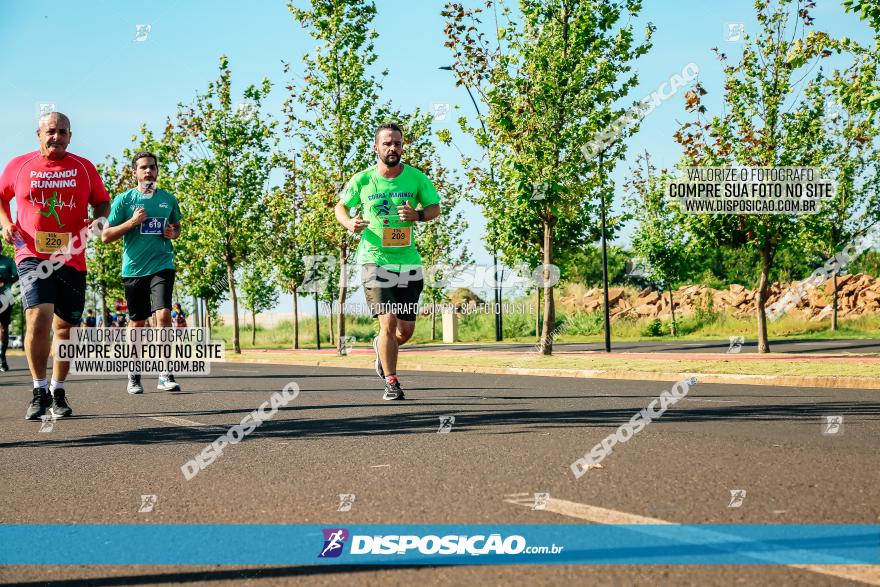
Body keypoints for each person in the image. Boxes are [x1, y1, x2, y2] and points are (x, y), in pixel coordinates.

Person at [0, 112, 111, 419]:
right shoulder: (19, 166)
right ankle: (38, 391)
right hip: (31, 252)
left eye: (63, 132)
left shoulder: (84, 169)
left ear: (70, 136)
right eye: (51, 131)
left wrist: (99, 221)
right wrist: (6, 222)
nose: (57, 136)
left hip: (71, 256)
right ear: (39, 133)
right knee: (39, 315)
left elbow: (101, 201)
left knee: (66, 328)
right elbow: (1, 196)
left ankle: (57, 390)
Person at [334, 122, 441, 400]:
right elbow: (341, 206)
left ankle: (380, 349)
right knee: (388, 323)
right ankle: (392, 382)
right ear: (376, 147)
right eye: (387, 143)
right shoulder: (363, 180)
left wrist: (417, 215)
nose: (393, 148)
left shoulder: (416, 178)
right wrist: (349, 223)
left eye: (397, 143)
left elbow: (434, 207)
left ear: (402, 147)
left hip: (408, 262)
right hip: (374, 260)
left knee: (404, 331)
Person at [102, 151, 182, 394]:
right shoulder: (124, 201)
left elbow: (176, 227)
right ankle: (134, 375)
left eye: (152, 167)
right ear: (134, 172)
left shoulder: (168, 199)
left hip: (162, 264)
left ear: (157, 171)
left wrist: (172, 233)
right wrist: (132, 223)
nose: (148, 171)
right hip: (134, 268)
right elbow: (106, 236)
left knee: (164, 314)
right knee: (137, 323)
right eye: (143, 168)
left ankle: (165, 373)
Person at [0, 242, 19, 371]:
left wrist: (6, 281)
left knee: (3, 329)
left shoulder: (8, 261)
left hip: (5, 298)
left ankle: (2, 359)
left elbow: (18, 276)